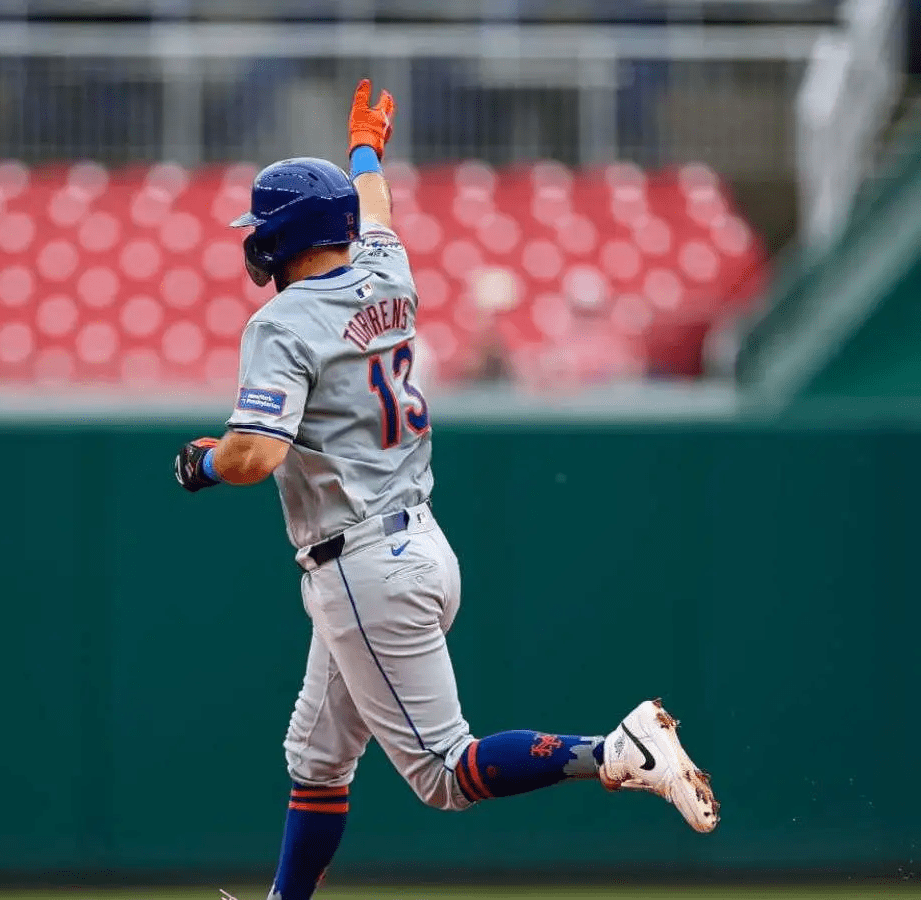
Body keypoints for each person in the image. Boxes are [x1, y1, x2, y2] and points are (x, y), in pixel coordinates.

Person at [172, 81, 719, 900]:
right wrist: (365, 150)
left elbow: (253, 456)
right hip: (416, 542)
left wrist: (203, 463)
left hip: (362, 566)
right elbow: (378, 211)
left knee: (444, 774)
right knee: (315, 757)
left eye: (259, 230)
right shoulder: (389, 272)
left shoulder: (281, 325)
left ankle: (615, 750)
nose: (252, 243)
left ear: (280, 238)